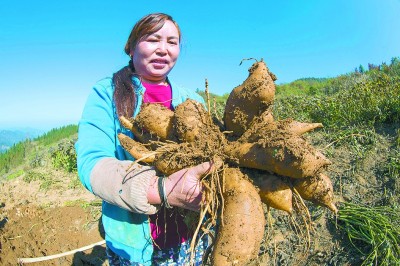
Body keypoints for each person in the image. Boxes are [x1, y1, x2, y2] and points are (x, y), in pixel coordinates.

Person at [75, 13, 214, 265]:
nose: (163, 49)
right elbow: (91, 164)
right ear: (131, 48)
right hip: (137, 247)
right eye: (153, 40)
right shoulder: (107, 93)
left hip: (192, 237)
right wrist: (163, 189)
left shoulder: (193, 101)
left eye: (172, 42)